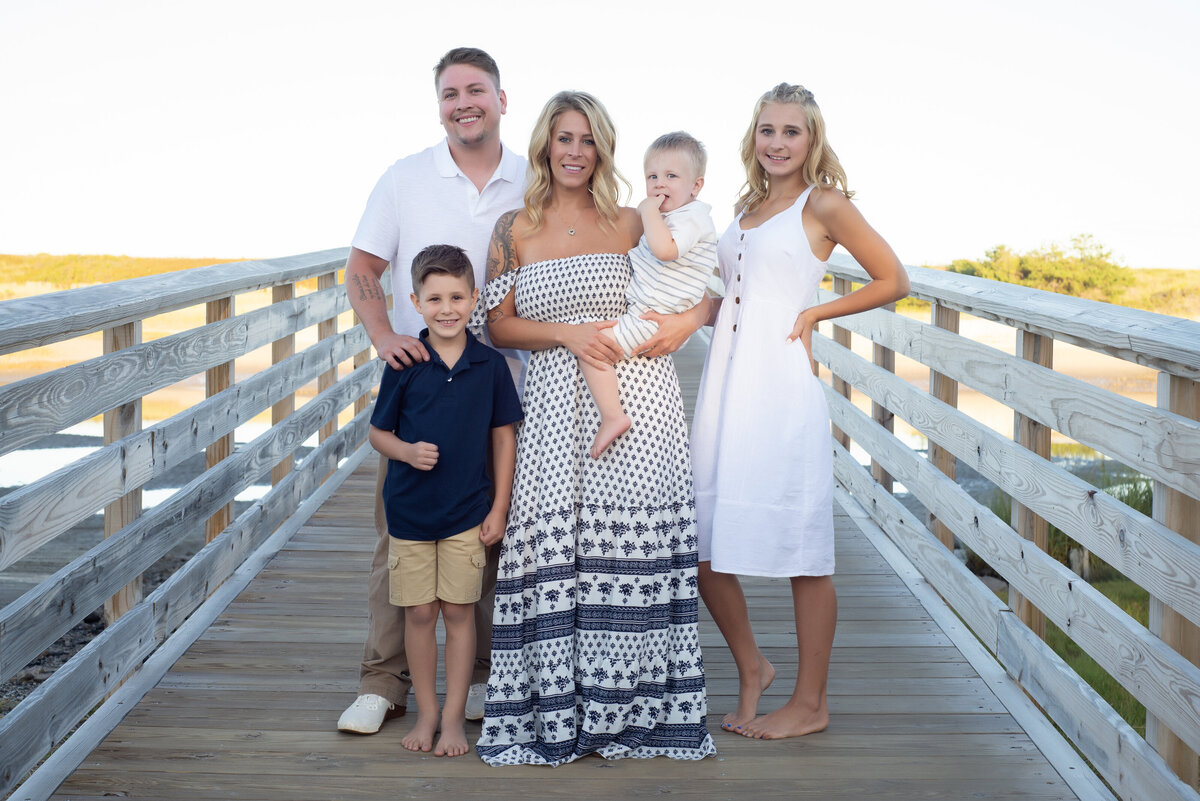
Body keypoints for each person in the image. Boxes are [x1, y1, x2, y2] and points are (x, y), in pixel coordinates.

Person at [475, 90, 716, 766]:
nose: (575, 152)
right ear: (545, 146)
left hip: (639, 402)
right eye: (564, 139)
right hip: (553, 402)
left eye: (587, 140)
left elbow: (710, 282)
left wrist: (688, 322)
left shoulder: (637, 220)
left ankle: (632, 708)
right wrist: (566, 333)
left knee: (632, 557)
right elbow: (495, 323)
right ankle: (556, 707)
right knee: (554, 550)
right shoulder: (514, 226)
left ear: (603, 149)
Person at [691, 83, 910, 739]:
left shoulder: (825, 204)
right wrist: (680, 319)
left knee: (803, 550)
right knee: (701, 544)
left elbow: (893, 278)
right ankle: (753, 663)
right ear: (752, 138)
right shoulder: (748, 207)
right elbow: (735, 295)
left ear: (812, 138)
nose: (778, 142)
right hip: (724, 388)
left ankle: (811, 703)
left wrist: (816, 311)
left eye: (791, 131)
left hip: (781, 389)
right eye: (767, 130)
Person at [338, 46, 527, 735]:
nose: (463, 102)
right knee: (401, 533)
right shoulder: (406, 178)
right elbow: (363, 264)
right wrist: (385, 333)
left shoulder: (530, 178)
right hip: (419, 390)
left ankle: (477, 678)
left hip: (502, 382)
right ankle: (382, 681)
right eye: (450, 93)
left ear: (502, 99)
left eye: (476, 90)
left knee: (486, 532)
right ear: (439, 105)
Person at [368, 244, 522, 756]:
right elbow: (377, 434)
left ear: (475, 298)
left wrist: (499, 507)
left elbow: (504, 438)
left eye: (458, 296)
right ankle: (427, 713)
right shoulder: (404, 363)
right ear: (415, 302)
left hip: (467, 512)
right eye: (435, 298)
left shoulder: (490, 366)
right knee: (419, 613)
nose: (448, 308)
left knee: (459, 612)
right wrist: (407, 452)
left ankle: (454, 718)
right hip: (410, 514)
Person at [578, 131, 717, 458]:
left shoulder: (691, 219)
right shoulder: (676, 217)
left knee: (591, 350)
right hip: (647, 312)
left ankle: (612, 417)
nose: (659, 184)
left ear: (695, 186)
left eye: (671, 176)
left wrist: (647, 211)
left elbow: (665, 250)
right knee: (597, 333)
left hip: (654, 319)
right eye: (652, 176)